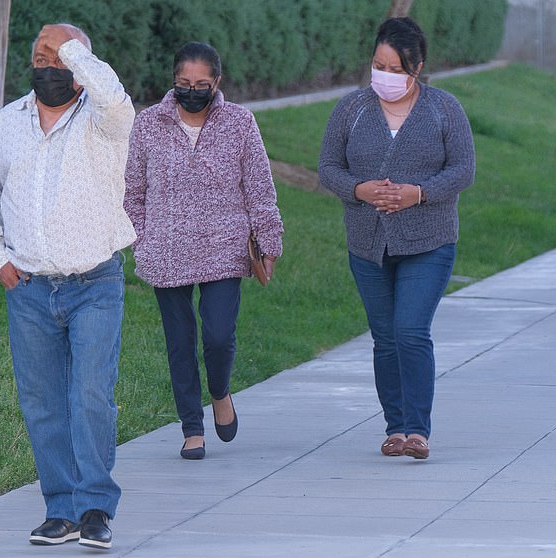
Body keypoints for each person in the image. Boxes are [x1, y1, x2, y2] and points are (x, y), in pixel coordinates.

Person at [0, 23, 136, 549]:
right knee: (42, 402)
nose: (51, 68)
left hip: (95, 283)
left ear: (82, 65)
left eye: (62, 59)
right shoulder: (7, 123)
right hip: (30, 290)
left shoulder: (104, 120)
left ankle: (95, 509)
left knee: (90, 396)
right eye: (41, 58)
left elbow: (113, 93)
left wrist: (68, 44)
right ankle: (59, 510)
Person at [318, 17, 475, 460]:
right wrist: (359, 190)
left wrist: (419, 193)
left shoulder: (444, 109)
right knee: (384, 337)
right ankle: (396, 428)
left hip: (429, 242)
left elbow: (463, 169)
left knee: (410, 331)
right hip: (368, 244)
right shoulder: (352, 109)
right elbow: (329, 166)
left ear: (417, 67)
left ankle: (418, 430)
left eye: (394, 68)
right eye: (378, 65)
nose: (384, 76)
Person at [124, 41, 283, 460]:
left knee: (217, 336)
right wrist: (142, 239)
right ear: (173, 82)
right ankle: (191, 428)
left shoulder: (240, 123)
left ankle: (220, 392)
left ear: (217, 83)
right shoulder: (147, 125)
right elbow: (132, 191)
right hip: (166, 249)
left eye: (201, 84)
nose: (191, 90)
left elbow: (260, 189)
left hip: (225, 247)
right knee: (179, 341)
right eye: (183, 83)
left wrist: (269, 241)